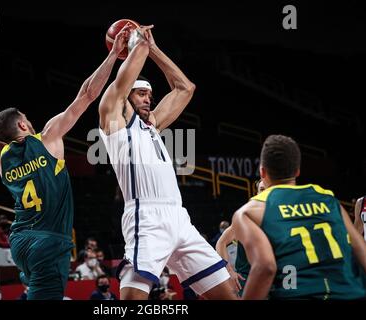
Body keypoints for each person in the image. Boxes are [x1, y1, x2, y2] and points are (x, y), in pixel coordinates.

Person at [0, 24, 131, 300]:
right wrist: (113, 55)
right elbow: (87, 95)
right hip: (48, 241)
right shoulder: (47, 138)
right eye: (26, 118)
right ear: (22, 123)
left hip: (19, 242)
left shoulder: (0, 154)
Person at [98, 24, 237, 300]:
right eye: (141, 93)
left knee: (228, 295)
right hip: (146, 217)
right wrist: (137, 45)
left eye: (150, 94)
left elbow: (186, 88)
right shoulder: (113, 120)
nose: (149, 99)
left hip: (180, 219)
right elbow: (120, 85)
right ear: (127, 96)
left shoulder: (153, 125)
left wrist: (155, 49)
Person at [231, 134, 366, 299]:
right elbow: (361, 251)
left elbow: (265, 267)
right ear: (297, 171)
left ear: (263, 172)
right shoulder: (328, 199)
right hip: (348, 293)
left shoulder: (249, 212)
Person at [215, 180, 266, 295]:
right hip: (247, 279)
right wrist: (229, 271)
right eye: (262, 189)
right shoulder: (246, 217)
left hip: (272, 279)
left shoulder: (279, 216)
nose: (265, 192)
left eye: (268, 189)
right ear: (257, 193)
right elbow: (221, 243)